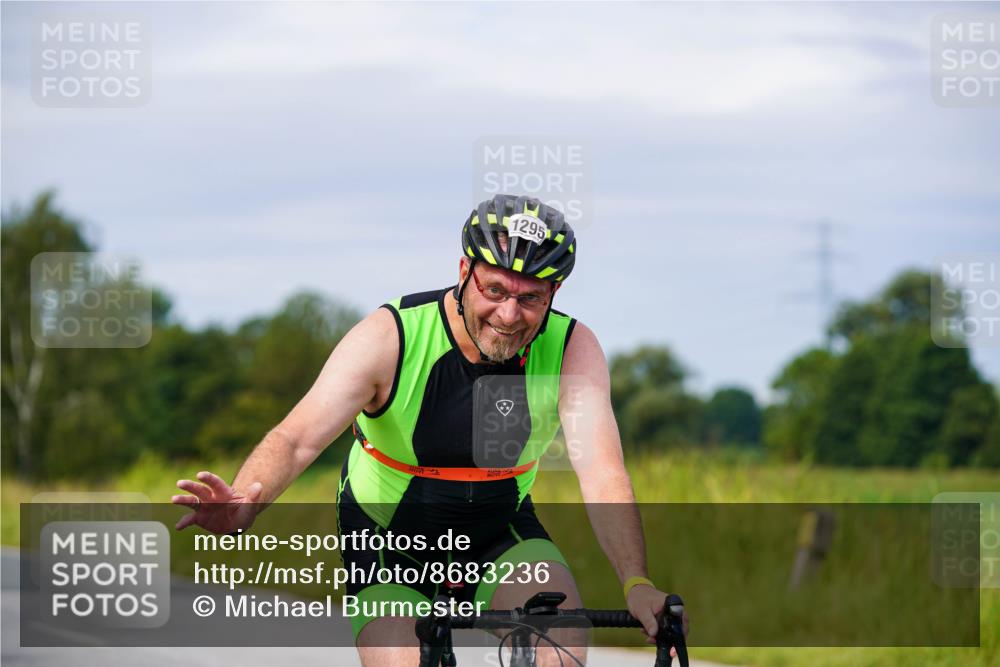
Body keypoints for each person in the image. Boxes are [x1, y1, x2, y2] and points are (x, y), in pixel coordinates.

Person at [173, 194, 689, 666]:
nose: (508, 315)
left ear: (555, 292)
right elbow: (297, 436)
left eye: (530, 298)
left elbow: (602, 473)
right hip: (388, 540)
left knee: (560, 649)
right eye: (494, 290)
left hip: (496, 531)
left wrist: (636, 582)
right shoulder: (389, 336)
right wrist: (246, 502)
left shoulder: (573, 347)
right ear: (464, 270)